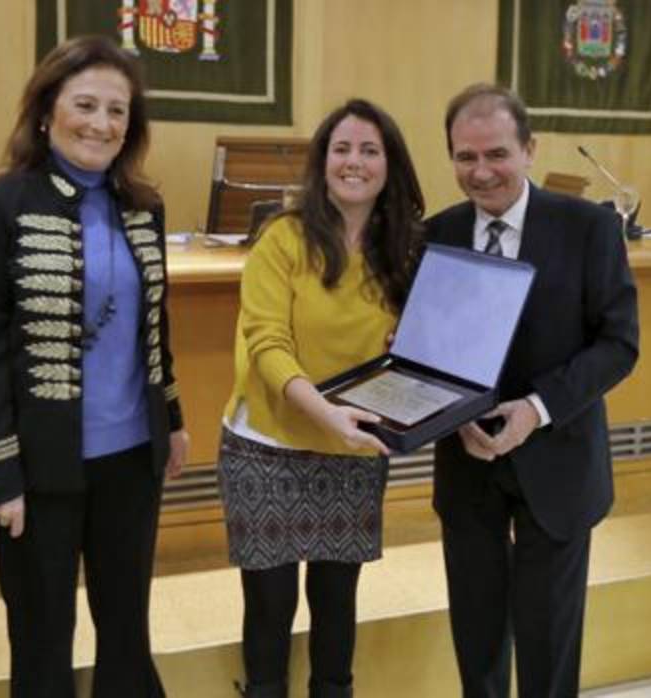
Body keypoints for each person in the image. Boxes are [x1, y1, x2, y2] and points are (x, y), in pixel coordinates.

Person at [0, 35, 189, 698]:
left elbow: (154, 326)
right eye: (85, 104)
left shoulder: (143, 207)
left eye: (117, 111)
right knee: (40, 639)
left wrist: (169, 417)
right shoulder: (1, 206)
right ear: (46, 112)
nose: (101, 123)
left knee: (126, 633)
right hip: (39, 465)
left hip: (130, 460)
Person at [425, 83, 640, 697]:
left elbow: (618, 344)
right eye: (465, 157)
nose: (481, 171)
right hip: (467, 467)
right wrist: (451, 414)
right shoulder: (434, 234)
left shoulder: (589, 228)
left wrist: (537, 408)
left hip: (559, 464)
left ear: (528, 149)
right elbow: (425, 352)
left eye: (496, 154)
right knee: (477, 639)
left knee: (549, 651)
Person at [217, 99, 425, 698]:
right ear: (322, 161)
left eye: (369, 150)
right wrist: (326, 413)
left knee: (336, 602)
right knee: (270, 605)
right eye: (341, 148)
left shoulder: (407, 249)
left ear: (390, 165)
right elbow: (267, 342)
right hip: (268, 446)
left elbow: (419, 341)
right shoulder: (282, 237)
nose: (353, 162)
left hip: (355, 445)